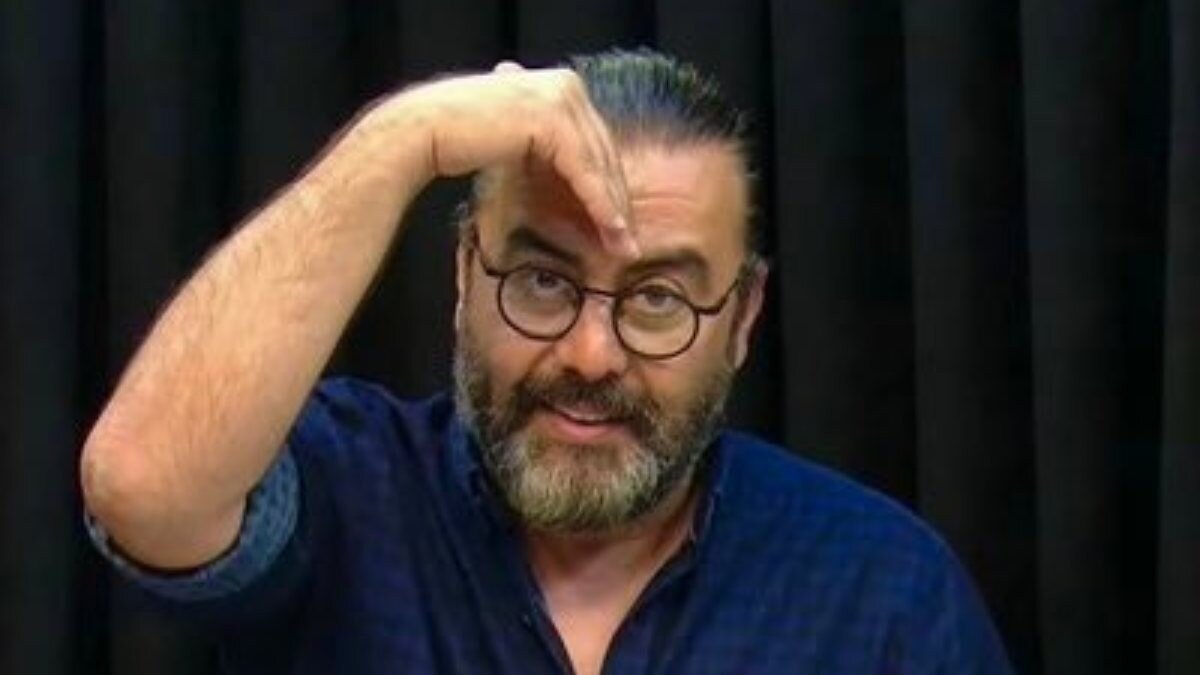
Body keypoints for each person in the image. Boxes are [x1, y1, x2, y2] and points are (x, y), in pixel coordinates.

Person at [80, 49, 1013, 674]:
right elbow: (140, 486)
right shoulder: (351, 495)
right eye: (540, 281)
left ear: (741, 319)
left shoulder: (883, 594)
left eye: (659, 298)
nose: (590, 353)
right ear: (464, 274)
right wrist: (399, 142)